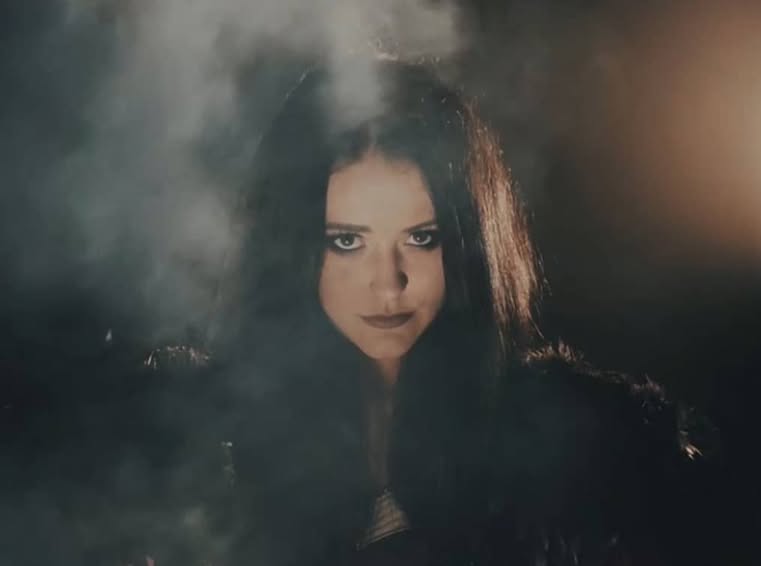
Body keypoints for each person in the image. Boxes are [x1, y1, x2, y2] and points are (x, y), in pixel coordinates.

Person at [171, 59, 716, 566]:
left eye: (421, 237)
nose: (389, 282)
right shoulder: (205, 448)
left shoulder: (586, 453)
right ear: (291, 246)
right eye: (347, 242)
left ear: (467, 242)